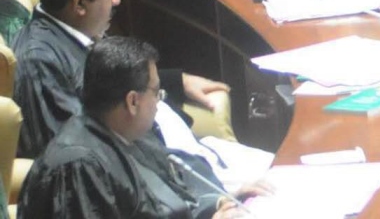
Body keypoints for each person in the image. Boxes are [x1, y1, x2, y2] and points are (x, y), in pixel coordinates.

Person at [10, 0, 228, 160]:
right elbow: (83, 156)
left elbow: (109, 84)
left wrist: (175, 82)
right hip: (160, 169)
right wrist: (194, 185)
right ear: (80, 3)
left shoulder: (74, 31)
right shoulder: (39, 63)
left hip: (179, 152)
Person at [18, 36, 256, 219]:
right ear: (132, 101)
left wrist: (217, 200)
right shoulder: (79, 167)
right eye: (156, 92)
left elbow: (170, 191)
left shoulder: (127, 132)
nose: (158, 102)